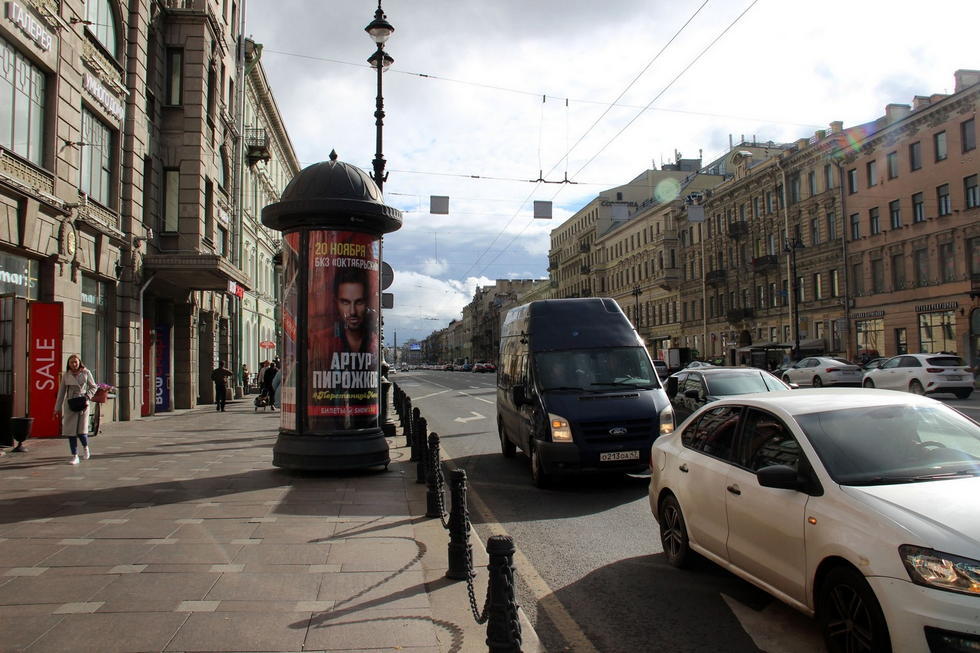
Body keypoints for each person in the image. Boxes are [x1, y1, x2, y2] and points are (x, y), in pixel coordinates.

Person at [53, 354, 97, 465]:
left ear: (79, 362)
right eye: (71, 362)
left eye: (75, 362)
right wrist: (57, 408)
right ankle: (75, 455)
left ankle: (85, 448)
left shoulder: (86, 372)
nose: (74, 364)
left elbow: (94, 387)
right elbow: (61, 392)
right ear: (68, 364)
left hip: (83, 403)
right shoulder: (66, 375)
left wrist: (87, 396)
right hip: (70, 403)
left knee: (82, 431)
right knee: (71, 431)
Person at [333, 266, 376, 354]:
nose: (353, 312)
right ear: (336, 303)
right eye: (346, 302)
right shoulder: (325, 341)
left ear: (367, 303)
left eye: (359, 302)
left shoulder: (374, 342)